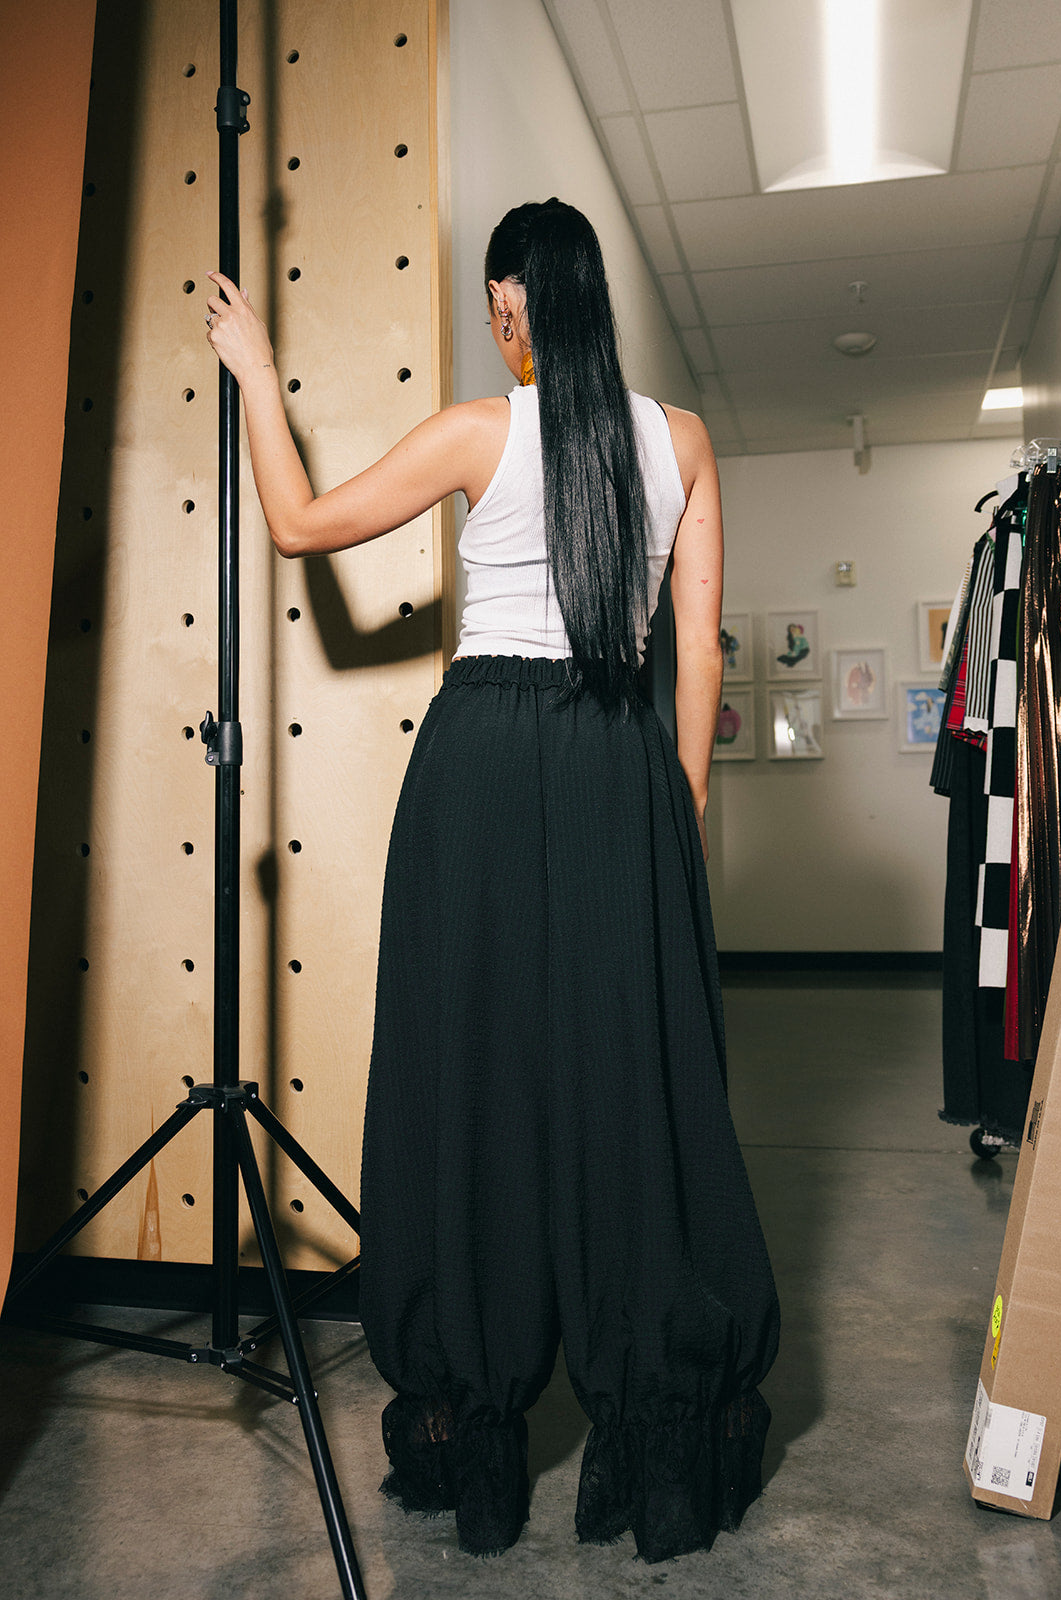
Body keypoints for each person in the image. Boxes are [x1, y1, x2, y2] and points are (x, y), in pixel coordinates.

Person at [206, 197, 779, 1565]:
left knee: (468, 1082)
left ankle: (477, 1438)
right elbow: (700, 653)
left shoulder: (480, 431)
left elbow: (297, 526)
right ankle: (656, 1434)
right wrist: (676, 809)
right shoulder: (685, 441)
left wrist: (259, 376)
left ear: (518, 300)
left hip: (477, 766)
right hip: (619, 763)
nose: (493, 326)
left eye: (493, 305)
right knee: (633, 1095)